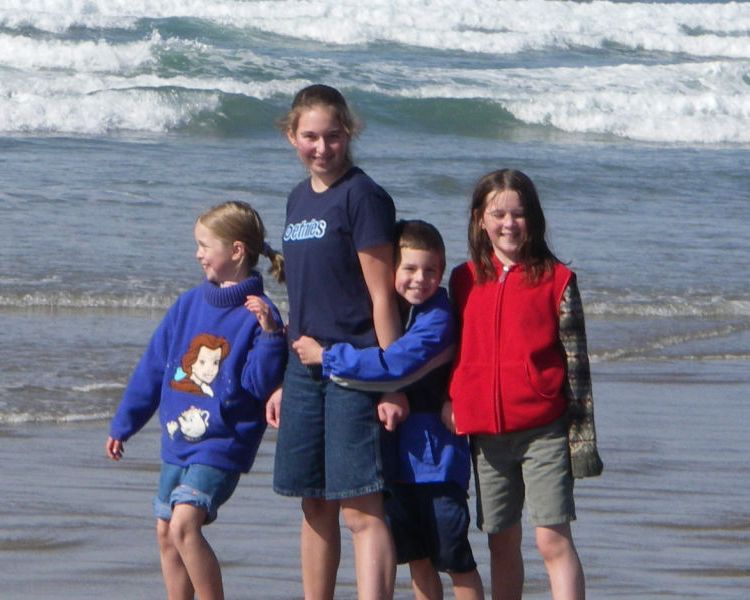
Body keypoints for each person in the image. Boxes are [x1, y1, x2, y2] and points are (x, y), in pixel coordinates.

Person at [292, 220, 485, 600]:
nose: (420, 279)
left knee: (455, 559)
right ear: (391, 269)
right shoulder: (385, 312)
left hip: (439, 462)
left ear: (443, 270)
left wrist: (326, 356)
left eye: (431, 270)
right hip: (396, 460)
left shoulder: (438, 315)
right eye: (409, 269)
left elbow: (394, 362)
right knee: (417, 561)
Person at [105, 200, 287, 600]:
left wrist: (273, 335)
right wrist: (124, 424)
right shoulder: (188, 304)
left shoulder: (259, 314)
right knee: (165, 529)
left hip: (222, 443)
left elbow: (259, 385)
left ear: (236, 251)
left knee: (185, 523)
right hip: (177, 440)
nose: (198, 253)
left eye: (205, 245)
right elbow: (153, 368)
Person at [267, 83, 405, 600]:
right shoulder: (297, 199)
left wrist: (392, 382)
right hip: (303, 371)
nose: (321, 147)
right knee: (314, 503)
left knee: (360, 508)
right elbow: (302, 298)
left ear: (348, 134)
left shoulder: (363, 196)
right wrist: (284, 379)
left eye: (332, 136)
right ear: (291, 136)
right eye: (310, 137)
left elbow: (382, 296)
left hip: (354, 367)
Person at [447, 169, 603, 600]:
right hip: (486, 436)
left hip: (544, 431)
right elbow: (451, 352)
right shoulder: (462, 279)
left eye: (518, 214)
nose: (508, 224)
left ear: (533, 219)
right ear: (481, 219)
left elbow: (578, 368)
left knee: (551, 539)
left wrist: (583, 442)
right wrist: (451, 399)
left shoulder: (557, 279)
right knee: (500, 540)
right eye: (498, 214)